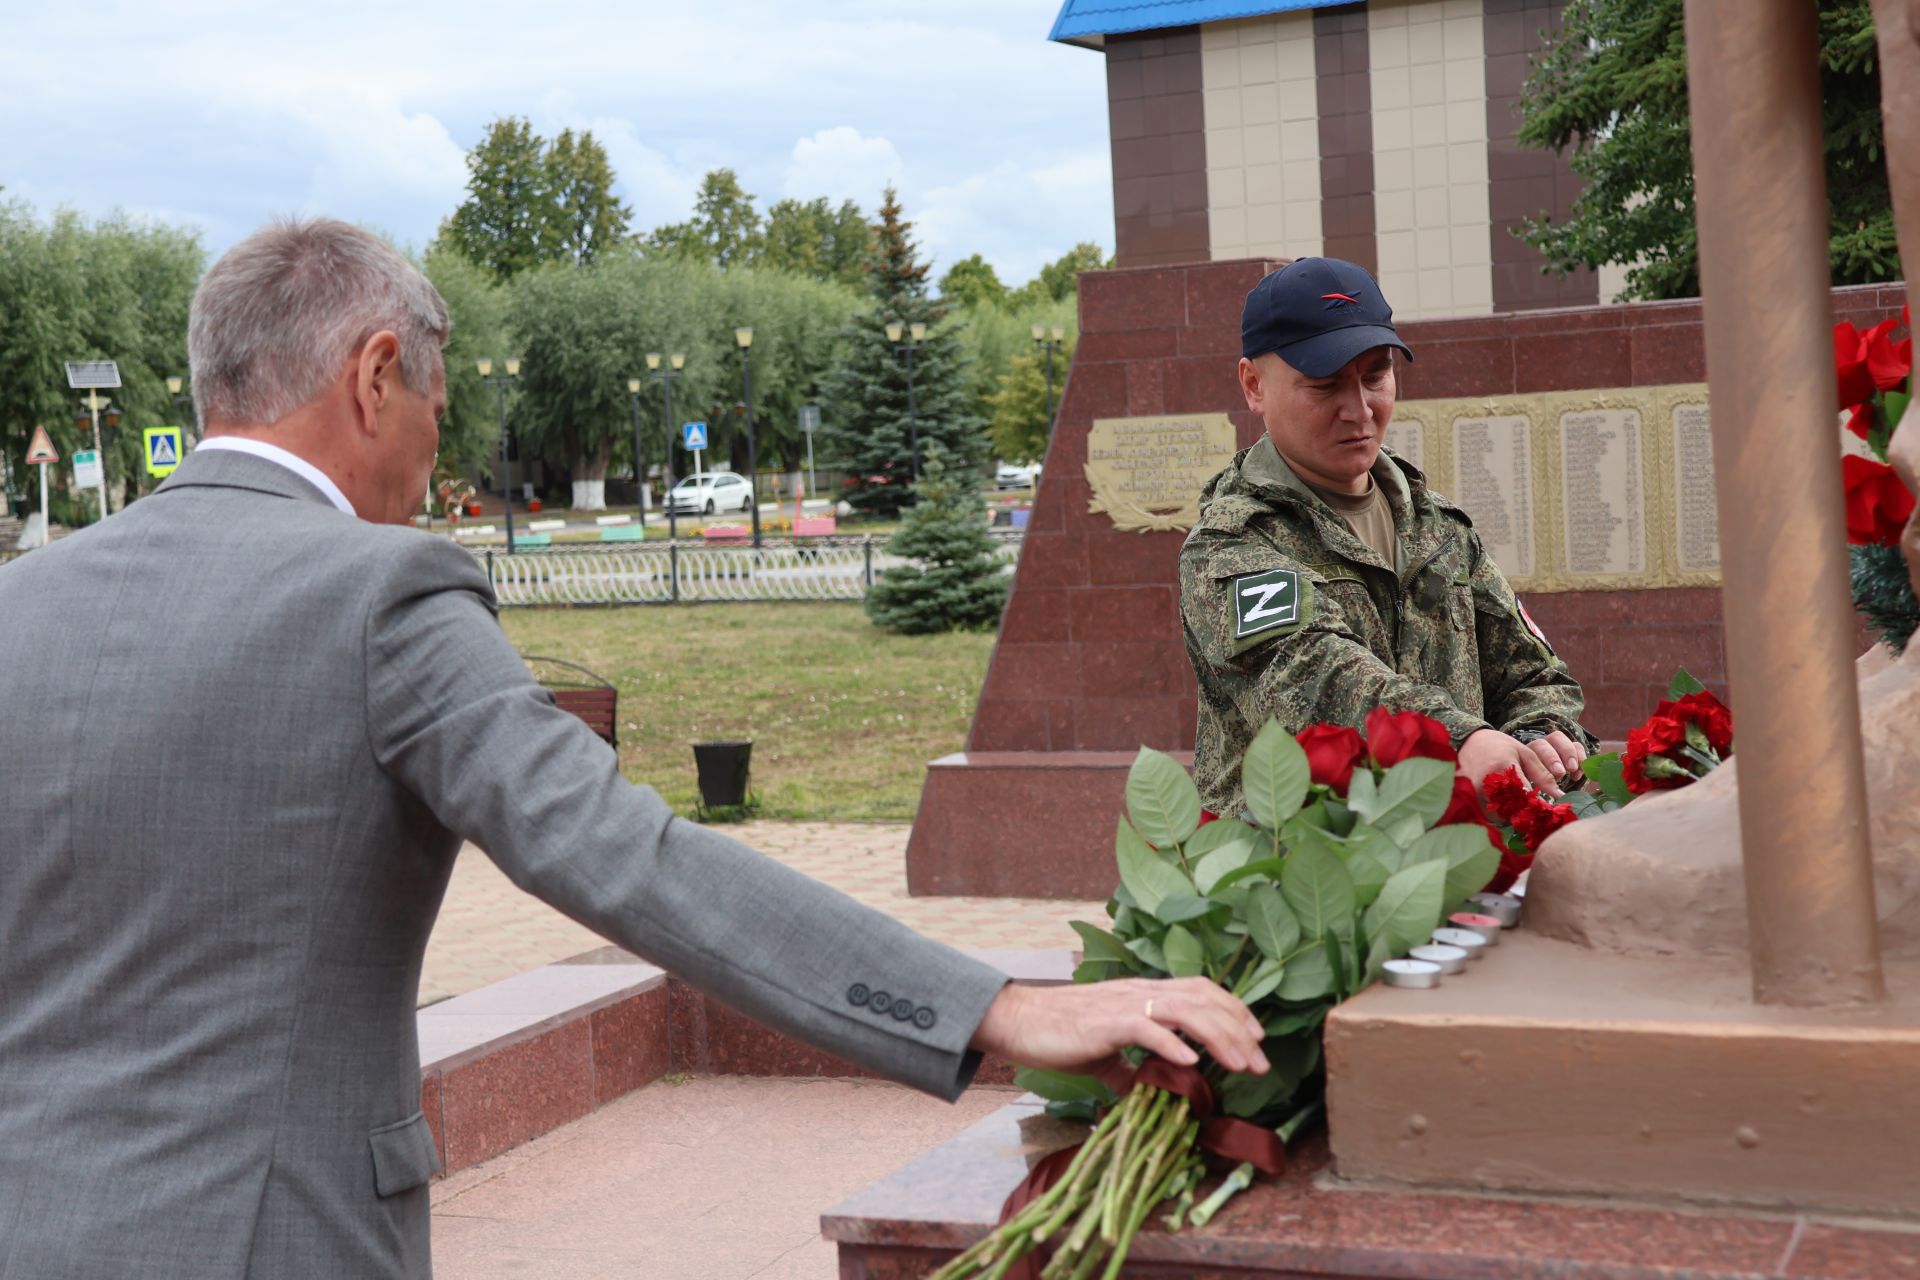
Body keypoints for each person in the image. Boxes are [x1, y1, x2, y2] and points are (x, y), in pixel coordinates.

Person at [0, 218, 1266, 1280]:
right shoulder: (378, 594)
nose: (430, 471)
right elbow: (629, 859)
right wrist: (998, 1004)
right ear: (375, 374)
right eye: (436, 416)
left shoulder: (24, 603)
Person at [1179, 257, 1594, 817]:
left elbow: (1532, 675)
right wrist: (1461, 740)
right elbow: (1312, 679)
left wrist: (1542, 737)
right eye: (1325, 385)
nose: (1360, 410)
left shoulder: (1438, 527)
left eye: (1376, 376)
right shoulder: (1231, 544)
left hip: (1457, 859)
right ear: (1254, 385)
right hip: (1300, 876)